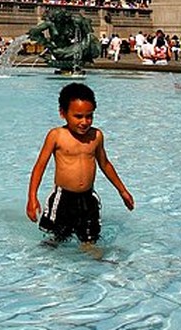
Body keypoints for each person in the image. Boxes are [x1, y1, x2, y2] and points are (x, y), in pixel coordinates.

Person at [26, 82, 134, 247]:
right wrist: (32, 198)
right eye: (78, 116)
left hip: (88, 197)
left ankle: (95, 263)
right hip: (63, 198)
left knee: (90, 239)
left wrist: (123, 191)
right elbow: (40, 166)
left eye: (89, 116)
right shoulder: (56, 136)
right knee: (57, 238)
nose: (84, 122)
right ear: (63, 113)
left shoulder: (96, 136)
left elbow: (105, 164)